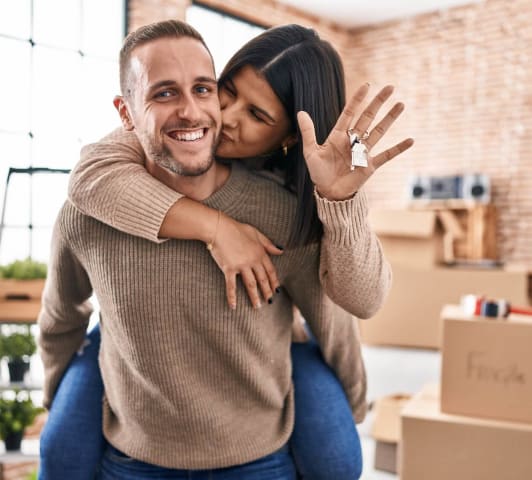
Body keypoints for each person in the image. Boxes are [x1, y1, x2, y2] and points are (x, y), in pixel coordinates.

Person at [38, 20, 412, 480]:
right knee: (61, 449)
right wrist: (216, 227)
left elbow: (342, 318)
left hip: (257, 439)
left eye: (256, 115)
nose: (217, 116)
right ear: (128, 112)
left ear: (289, 136)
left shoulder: (284, 212)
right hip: (135, 439)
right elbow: (89, 180)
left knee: (336, 456)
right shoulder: (102, 191)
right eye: (225, 91)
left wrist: (339, 199)